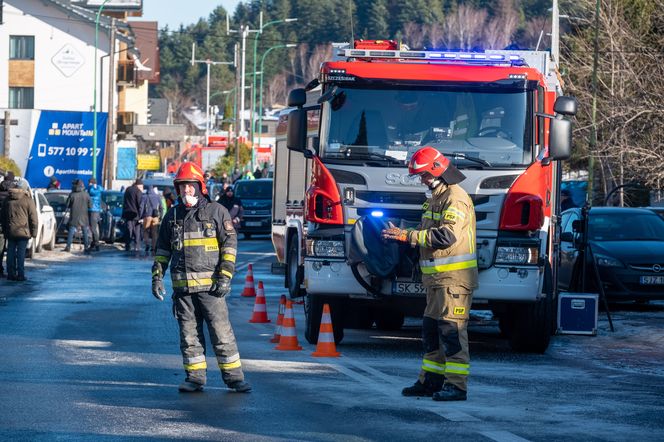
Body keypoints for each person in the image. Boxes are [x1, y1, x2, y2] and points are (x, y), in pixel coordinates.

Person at [382, 146, 478, 402]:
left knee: (452, 332)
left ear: (437, 170)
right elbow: (428, 234)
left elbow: (447, 236)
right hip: (437, 281)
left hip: (454, 281)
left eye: (423, 174)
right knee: (431, 332)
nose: (422, 180)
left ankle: (456, 386)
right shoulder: (436, 197)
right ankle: (430, 381)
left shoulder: (454, 197)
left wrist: (408, 236)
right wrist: (405, 235)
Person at [151, 162, 251, 394]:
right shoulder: (172, 216)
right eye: (182, 186)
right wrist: (157, 277)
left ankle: (235, 378)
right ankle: (195, 378)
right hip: (183, 291)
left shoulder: (216, 212)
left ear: (199, 187)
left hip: (211, 290)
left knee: (221, 333)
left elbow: (229, 244)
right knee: (189, 336)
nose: (186, 191)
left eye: (190, 186)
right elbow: (162, 250)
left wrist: (225, 276)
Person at [0, 179, 37, 281]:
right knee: (20, 253)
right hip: (23, 231)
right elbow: (33, 218)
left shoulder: (8, 199)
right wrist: (34, 232)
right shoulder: (28, 200)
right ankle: (21, 274)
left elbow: (2, 216)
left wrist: (5, 229)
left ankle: (10, 274)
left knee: (10, 252)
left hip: (11, 231)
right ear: (24, 189)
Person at [64, 180, 91, 253]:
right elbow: (90, 205)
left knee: (71, 230)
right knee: (85, 231)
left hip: (74, 215)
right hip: (84, 215)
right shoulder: (86, 194)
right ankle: (86, 247)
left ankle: (68, 246)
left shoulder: (72, 194)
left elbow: (67, 205)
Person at [122, 179, 144, 252]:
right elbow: (140, 204)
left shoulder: (127, 190)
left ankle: (127, 245)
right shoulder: (138, 191)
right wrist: (141, 216)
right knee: (136, 230)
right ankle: (136, 246)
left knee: (129, 229)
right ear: (138, 185)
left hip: (127, 213)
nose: (142, 188)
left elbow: (124, 201)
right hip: (135, 214)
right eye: (141, 186)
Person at [140, 185, 163, 255]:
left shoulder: (144, 197)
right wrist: (160, 216)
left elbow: (141, 207)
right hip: (155, 217)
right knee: (154, 233)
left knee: (145, 231)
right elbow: (161, 207)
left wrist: (141, 216)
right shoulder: (157, 196)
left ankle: (147, 244)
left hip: (147, 216)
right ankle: (154, 246)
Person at [87, 177, 103, 252]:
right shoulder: (100, 189)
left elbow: (90, 192)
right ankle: (94, 243)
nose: (88, 184)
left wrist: (90, 187)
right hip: (97, 211)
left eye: (89, 183)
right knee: (94, 227)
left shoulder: (91, 190)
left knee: (93, 228)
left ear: (92, 183)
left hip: (92, 210)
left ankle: (96, 244)